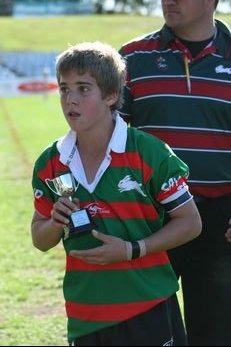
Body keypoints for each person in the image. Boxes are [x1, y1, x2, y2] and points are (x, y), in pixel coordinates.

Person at [31, 41, 202, 346]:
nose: (70, 99)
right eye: (63, 88)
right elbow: (40, 239)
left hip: (147, 307)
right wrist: (55, 222)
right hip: (85, 316)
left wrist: (131, 249)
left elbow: (190, 223)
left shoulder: (148, 153)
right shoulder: (51, 162)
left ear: (111, 95)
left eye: (83, 89)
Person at [119, 0, 231, 346]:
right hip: (149, 216)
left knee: (216, 335)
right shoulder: (131, 57)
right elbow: (114, 142)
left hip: (221, 223)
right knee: (148, 335)